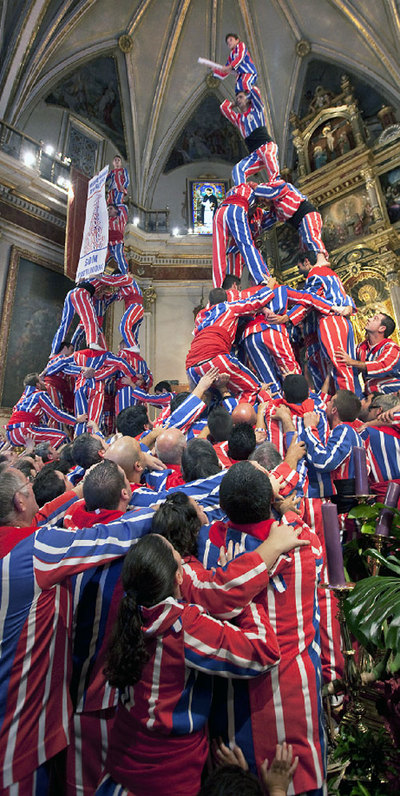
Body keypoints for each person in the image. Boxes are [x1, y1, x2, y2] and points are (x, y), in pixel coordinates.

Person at [0, 466, 156, 793]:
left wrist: (76, 493)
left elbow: (43, 516)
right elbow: (108, 538)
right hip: (18, 737)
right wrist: (163, 512)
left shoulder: (21, 542)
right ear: (19, 501)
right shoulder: (37, 550)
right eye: (29, 486)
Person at [97, 533, 283, 796]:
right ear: (178, 578)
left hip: (121, 764)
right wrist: (243, 597)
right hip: (167, 776)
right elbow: (264, 652)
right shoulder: (183, 626)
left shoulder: (130, 609)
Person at [186, 286, 273, 404]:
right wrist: (269, 286)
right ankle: (245, 419)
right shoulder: (229, 307)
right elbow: (257, 301)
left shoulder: (200, 316)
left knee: (212, 399)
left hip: (191, 367)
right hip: (215, 359)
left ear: (209, 303)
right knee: (254, 388)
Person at [212, 183, 272, 287]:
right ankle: (222, 289)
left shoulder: (259, 212)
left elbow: (272, 217)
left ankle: (262, 284)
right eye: (265, 198)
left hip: (253, 250)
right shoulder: (245, 194)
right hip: (237, 249)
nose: (265, 202)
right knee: (234, 277)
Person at [220, 86, 281, 188]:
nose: (238, 100)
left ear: (248, 98)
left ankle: (276, 183)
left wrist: (246, 92)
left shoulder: (257, 109)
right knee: (238, 169)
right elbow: (223, 107)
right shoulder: (239, 119)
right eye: (237, 99)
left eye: (240, 97)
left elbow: (255, 91)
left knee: (268, 155)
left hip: (267, 146)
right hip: (255, 154)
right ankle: (241, 191)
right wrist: (235, 103)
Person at [6, 373, 86, 448]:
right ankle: (46, 457)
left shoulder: (23, 398)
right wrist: (76, 420)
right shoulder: (40, 394)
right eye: (42, 381)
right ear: (38, 384)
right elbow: (56, 413)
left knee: (41, 442)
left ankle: (34, 453)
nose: (44, 383)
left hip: (10, 434)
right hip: (24, 430)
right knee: (61, 437)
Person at [336, 311, 400, 393]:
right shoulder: (361, 348)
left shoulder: (391, 348)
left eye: (375, 319)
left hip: (395, 385)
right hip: (370, 389)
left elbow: (382, 367)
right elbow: (353, 369)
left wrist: (351, 362)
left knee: (373, 385)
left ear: (382, 328)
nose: (369, 319)